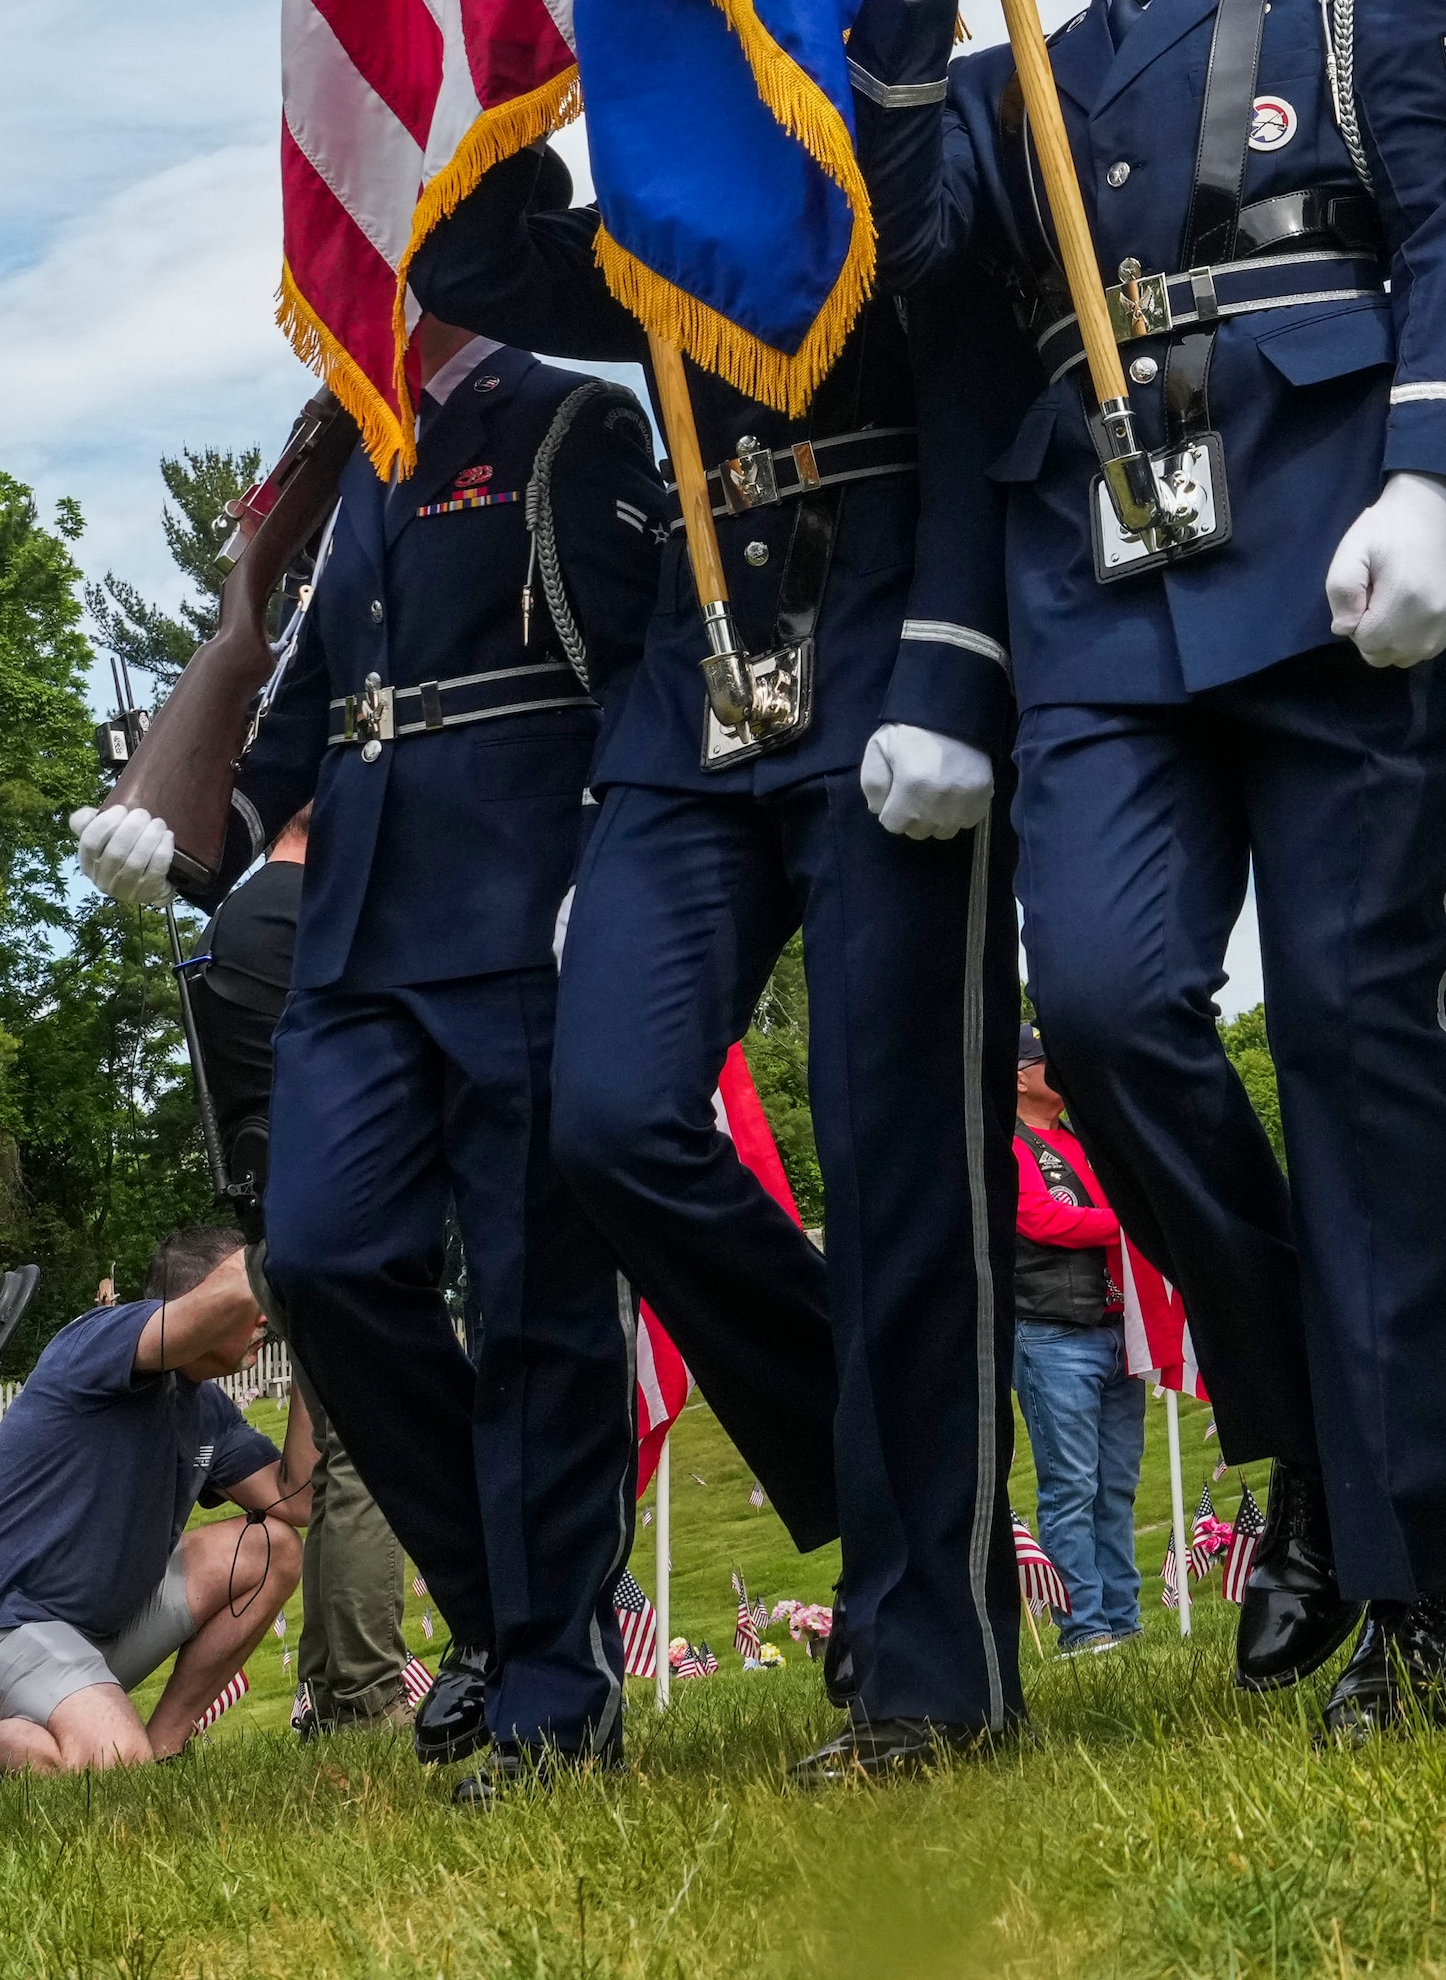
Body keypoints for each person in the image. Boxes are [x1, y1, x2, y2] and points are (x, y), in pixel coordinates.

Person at [856, 0, 1446, 1739]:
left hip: (1334, 559)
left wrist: (1437, 468)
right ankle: (1309, 1418)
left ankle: (1422, 1597)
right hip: (1095, 598)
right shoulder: (990, 78)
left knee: (1349, 1032)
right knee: (1120, 1011)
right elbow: (895, 257)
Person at [403, 147, 1034, 1786]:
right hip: (696, 713)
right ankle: (867, 1434)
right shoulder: (670, 203)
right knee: (607, 1110)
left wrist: (962, 670)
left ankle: (931, 1669)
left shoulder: (912, 131)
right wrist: (517, 34)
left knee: (900, 1164)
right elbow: (477, 261)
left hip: (886, 668)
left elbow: (976, 414)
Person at [164, 288, 663, 1785]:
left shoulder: (568, 419)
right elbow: (303, 723)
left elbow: (635, 673)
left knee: (534, 1308)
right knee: (319, 1259)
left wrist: (611, 870)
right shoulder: (367, 465)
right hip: (361, 937)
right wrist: (199, 818)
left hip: (517, 911)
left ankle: (553, 1677)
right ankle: (508, 1613)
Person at [0, 1231, 303, 1789]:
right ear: (194, 1307)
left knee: (273, 1549)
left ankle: (163, 1750)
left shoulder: (208, 1409)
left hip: (94, 1638)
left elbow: (299, 1497)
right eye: (255, 1307)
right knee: (109, 1767)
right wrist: (293, 1228)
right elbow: (243, 1280)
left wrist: (318, 1344)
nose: (266, 1319)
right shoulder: (99, 1339)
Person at [181, 814, 420, 1737]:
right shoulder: (306, 909)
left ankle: (329, 1687)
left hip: (285, 1214)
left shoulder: (243, 916)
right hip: (341, 1206)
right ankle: (362, 1693)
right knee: (371, 1450)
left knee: (340, 1452)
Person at [1001, 1033, 1153, 1659]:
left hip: (1117, 1329)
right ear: (1016, 1077)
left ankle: (1122, 1617)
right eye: (1045, 1060)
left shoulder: (1081, 1140)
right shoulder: (1004, 1144)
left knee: (1115, 1485)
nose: (1059, 1068)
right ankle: (1084, 1628)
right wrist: (1130, 1222)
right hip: (1052, 1332)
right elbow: (1039, 1219)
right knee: (1071, 1487)